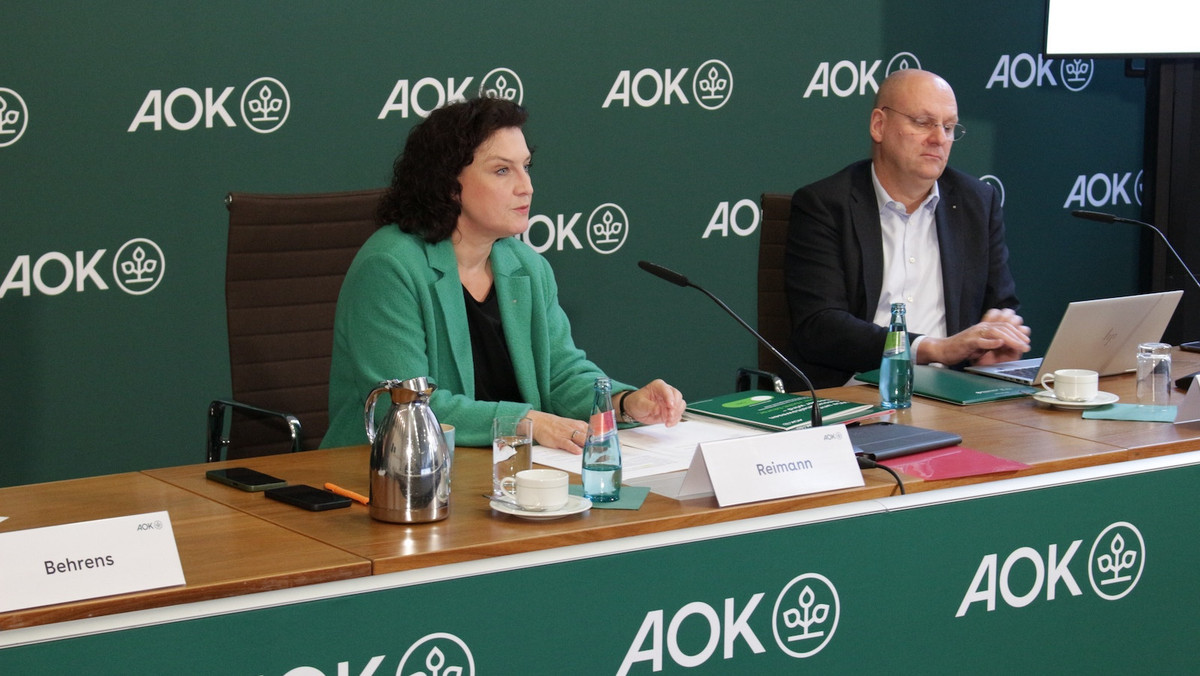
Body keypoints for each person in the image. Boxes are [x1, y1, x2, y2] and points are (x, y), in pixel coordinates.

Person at [322, 97, 685, 451]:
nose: (526, 186)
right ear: (449, 185)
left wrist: (624, 403)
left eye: (526, 166)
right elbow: (406, 408)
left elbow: (560, 375)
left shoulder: (526, 266)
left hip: (504, 468)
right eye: (502, 170)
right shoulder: (390, 267)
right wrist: (527, 422)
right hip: (392, 474)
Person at [784, 68, 1031, 389]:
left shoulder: (977, 202)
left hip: (952, 390)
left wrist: (997, 337)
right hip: (856, 392)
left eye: (949, 127)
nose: (939, 139)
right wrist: (933, 348)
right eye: (923, 122)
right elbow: (820, 327)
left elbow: (1000, 304)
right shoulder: (825, 204)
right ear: (879, 125)